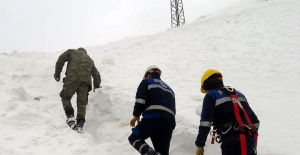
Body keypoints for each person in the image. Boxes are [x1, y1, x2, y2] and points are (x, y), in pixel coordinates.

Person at [195, 69, 260, 155]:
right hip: (249, 142)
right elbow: (255, 122)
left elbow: (205, 122)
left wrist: (200, 144)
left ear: (207, 84)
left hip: (231, 142)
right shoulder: (239, 94)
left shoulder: (211, 95)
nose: (206, 92)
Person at [128, 65, 176, 155]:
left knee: (134, 138)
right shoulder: (170, 90)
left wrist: (136, 115)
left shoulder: (147, 82)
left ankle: (150, 153)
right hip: (169, 122)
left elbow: (140, 100)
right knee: (162, 152)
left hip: (153, 118)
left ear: (148, 74)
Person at [54, 47, 101, 132]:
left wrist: (57, 73)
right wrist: (97, 85)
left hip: (72, 77)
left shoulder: (71, 52)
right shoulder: (89, 59)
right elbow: (96, 74)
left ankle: (70, 116)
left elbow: (61, 59)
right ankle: (80, 123)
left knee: (65, 97)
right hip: (85, 82)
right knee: (82, 103)